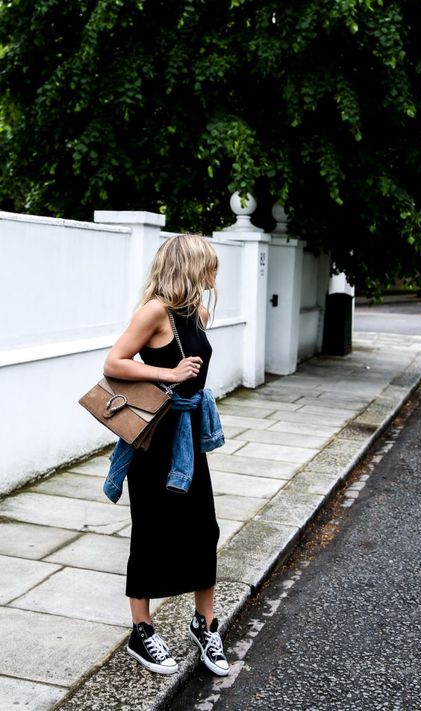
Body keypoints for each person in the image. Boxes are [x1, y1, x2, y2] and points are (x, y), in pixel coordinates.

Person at [103, 234, 229, 677]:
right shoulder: (154, 311)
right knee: (152, 529)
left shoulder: (196, 311)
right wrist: (168, 373)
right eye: (208, 264)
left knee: (203, 527)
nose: (214, 272)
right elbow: (114, 362)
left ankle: (206, 623)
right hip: (155, 439)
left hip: (189, 435)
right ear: (189, 265)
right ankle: (142, 629)